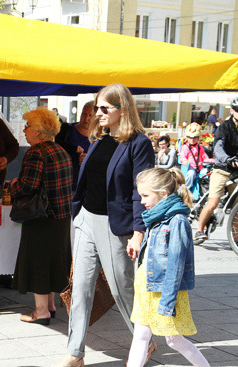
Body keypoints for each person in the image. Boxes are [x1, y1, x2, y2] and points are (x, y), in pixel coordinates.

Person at [54, 84, 155, 367]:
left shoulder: (138, 143)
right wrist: (78, 213)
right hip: (87, 218)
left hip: (116, 225)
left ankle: (144, 340)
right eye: (95, 108)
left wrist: (138, 231)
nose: (96, 114)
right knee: (80, 287)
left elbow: (142, 190)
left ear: (122, 109)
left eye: (103, 108)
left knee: (122, 287)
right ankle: (75, 353)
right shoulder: (98, 139)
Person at [127, 167, 210, 367]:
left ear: (163, 194)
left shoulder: (177, 220)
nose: (142, 201)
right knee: (141, 334)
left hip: (164, 290)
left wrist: (168, 301)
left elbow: (176, 264)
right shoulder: (156, 216)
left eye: (145, 195)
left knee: (174, 340)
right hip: (147, 287)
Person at [10, 107, 73, 325]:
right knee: (54, 261)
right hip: (62, 216)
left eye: (28, 127)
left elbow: (28, 186)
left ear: (37, 131)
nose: (25, 131)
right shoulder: (61, 150)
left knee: (38, 261)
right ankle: (51, 305)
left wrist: (13, 186)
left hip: (42, 217)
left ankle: (40, 311)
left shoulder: (36, 152)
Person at [195, 96, 238, 244]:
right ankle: (199, 230)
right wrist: (227, 159)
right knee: (213, 202)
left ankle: (235, 240)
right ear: (231, 110)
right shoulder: (224, 127)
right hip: (222, 169)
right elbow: (218, 147)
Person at [55, 101, 93, 190]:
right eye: (84, 114)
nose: (86, 118)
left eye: (91, 116)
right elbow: (54, 144)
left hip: (87, 187)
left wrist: (89, 159)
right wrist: (73, 148)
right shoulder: (67, 129)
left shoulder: (99, 137)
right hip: (64, 183)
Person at [179, 123, 214, 192]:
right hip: (190, 168)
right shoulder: (185, 147)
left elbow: (203, 159)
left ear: (198, 138)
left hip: (200, 168)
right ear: (187, 137)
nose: (192, 139)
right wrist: (184, 161)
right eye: (190, 137)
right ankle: (186, 191)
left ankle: (208, 191)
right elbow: (182, 157)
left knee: (211, 173)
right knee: (191, 174)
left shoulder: (200, 147)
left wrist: (213, 160)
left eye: (195, 137)